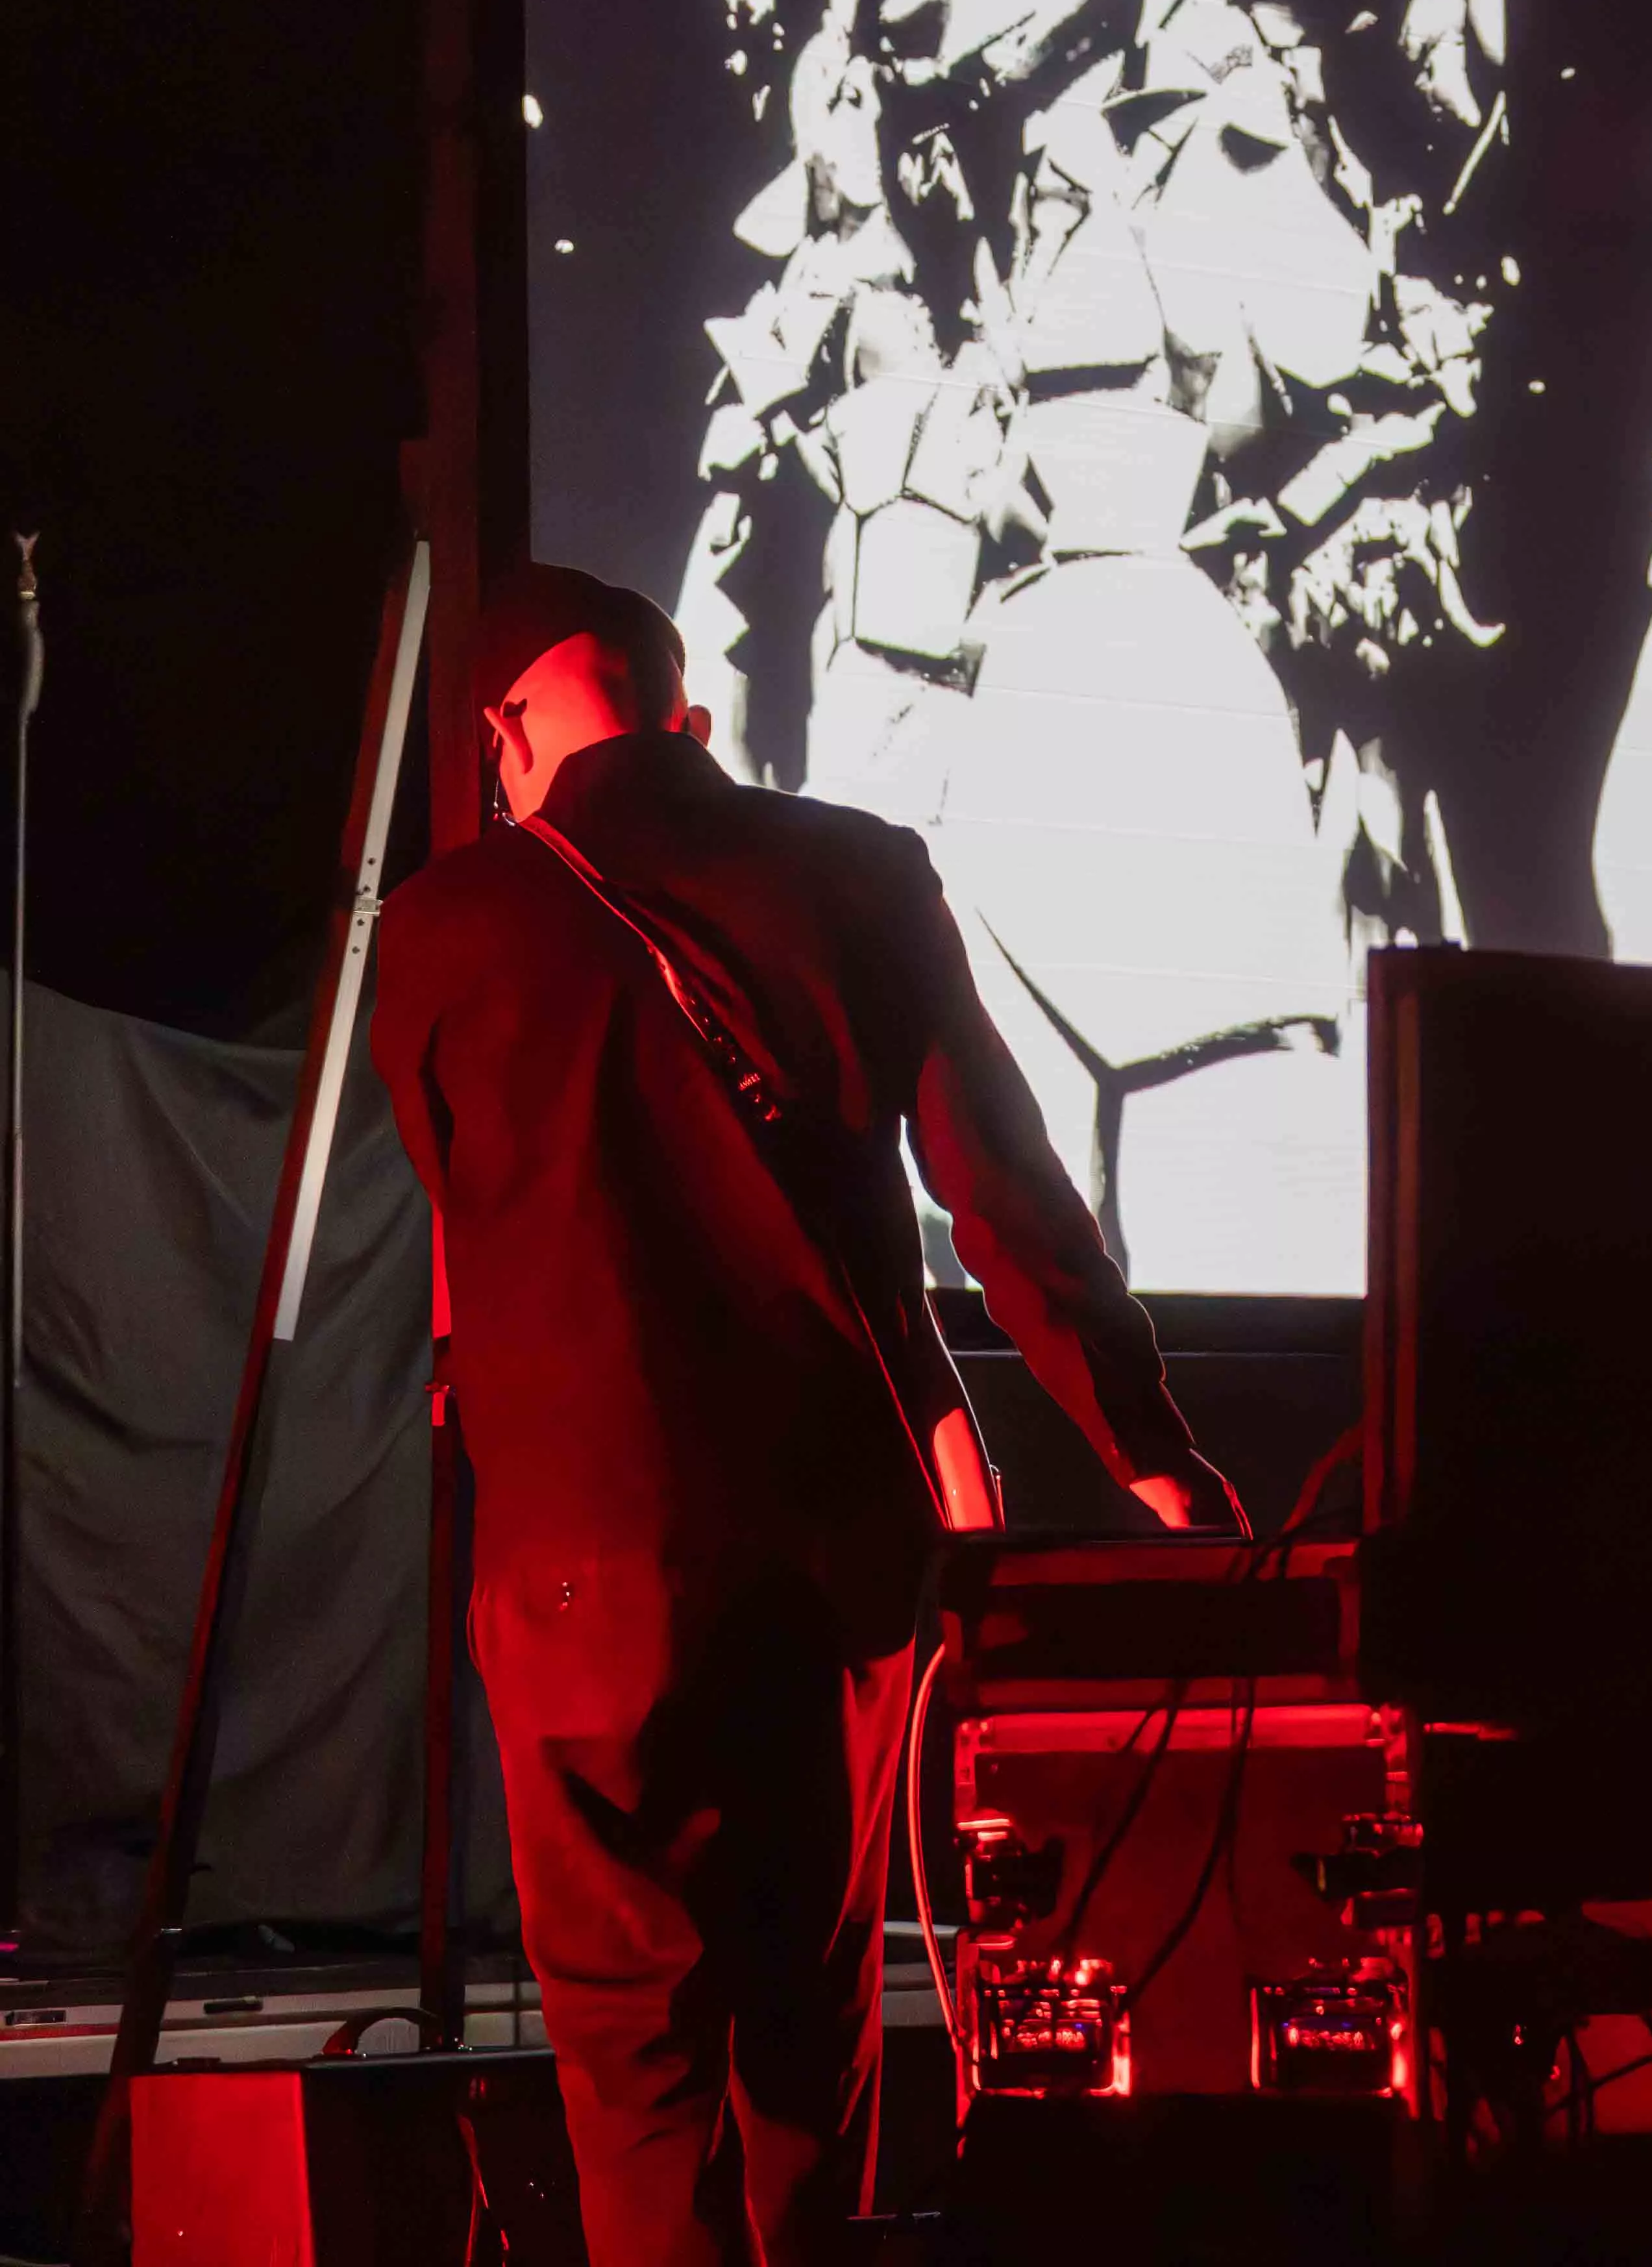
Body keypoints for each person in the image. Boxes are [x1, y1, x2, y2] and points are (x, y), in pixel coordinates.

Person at [369, 564, 1240, 2267]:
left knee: (635, 2062)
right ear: (682, 714)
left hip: (582, 1571)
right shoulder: (860, 870)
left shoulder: (442, 929)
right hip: (836, 1552)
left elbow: (457, 1203)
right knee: (808, 2030)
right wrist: (1144, 1441)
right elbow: (1008, 1192)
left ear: (503, 733)